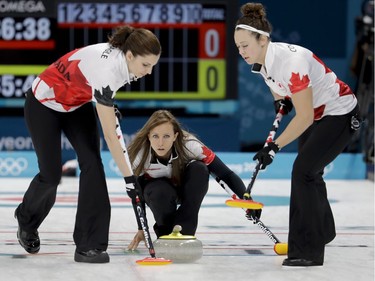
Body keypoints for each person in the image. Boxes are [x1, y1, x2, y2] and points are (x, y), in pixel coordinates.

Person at [14, 25, 161, 263]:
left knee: (92, 162)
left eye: (153, 65)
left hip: (77, 104)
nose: (149, 72)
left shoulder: (123, 60)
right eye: (146, 65)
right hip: (43, 104)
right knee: (51, 176)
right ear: (130, 55)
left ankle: (89, 245)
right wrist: (129, 179)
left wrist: (109, 108)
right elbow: (112, 137)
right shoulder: (109, 71)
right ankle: (26, 220)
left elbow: (91, 83)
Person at [234, 3, 360, 267]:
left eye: (245, 45)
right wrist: (280, 102)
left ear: (263, 39)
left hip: (340, 113)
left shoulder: (292, 62)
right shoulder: (261, 60)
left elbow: (303, 117)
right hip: (316, 114)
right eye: (238, 47)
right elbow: (278, 88)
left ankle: (308, 251)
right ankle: (323, 231)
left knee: (303, 171)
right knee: (311, 172)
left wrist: (273, 147)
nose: (241, 52)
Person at [126, 110, 257, 250]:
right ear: (148, 136)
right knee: (160, 191)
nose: (160, 142)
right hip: (158, 193)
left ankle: (185, 229)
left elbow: (225, 174)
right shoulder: (139, 155)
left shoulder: (190, 145)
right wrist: (142, 228)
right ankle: (165, 231)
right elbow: (136, 194)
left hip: (184, 189)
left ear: (175, 136)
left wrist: (247, 200)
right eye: (155, 136)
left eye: (166, 136)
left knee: (200, 169)